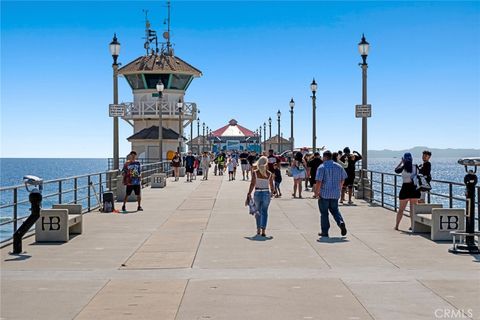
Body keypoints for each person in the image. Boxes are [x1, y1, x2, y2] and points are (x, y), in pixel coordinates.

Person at [314, 150, 348, 238]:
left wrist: (316, 193)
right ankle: (340, 222)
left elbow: (319, 181)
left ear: (325, 157)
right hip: (335, 193)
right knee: (335, 210)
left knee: (324, 213)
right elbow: (343, 179)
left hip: (324, 194)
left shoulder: (322, 167)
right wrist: (339, 188)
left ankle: (325, 232)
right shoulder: (339, 167)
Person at [245, 156, 275, 237]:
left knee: (257, 212)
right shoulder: (269, 174)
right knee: (264, 212)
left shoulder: (255, 172)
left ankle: (258, 229)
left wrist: (249, 193)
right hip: (266, 193)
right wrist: (272, 192)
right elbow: (272, 186)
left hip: (257, 193)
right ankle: (263, 230)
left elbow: (252, 184)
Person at [394, 152, 421, 231]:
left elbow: (396, 170)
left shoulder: (403, 167)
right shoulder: (415, 167)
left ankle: (397, 226)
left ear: (404, 160)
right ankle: (413, 226)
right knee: (412, 210)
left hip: (405, 189)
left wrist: (401, 163)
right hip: (414, 189)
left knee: (401, 209)